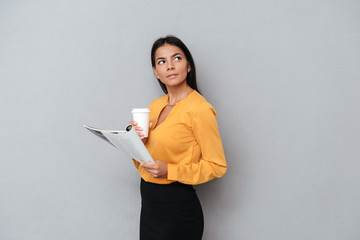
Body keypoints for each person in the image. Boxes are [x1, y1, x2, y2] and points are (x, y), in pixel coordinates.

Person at [130, 35, 227, 240]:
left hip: (178, 210)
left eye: (177, 58)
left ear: (188, 66)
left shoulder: (200, 109)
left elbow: (217, 166)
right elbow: (145, 164)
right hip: (149, 206)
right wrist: (135, 143)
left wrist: (169, 170)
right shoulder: (155, 106)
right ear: (156, 72)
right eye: (162, 62)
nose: (170, 66)